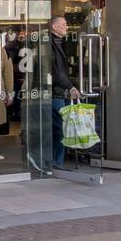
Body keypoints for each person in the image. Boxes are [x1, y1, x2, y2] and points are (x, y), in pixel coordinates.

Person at [48, 15, 80, 170]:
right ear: (54, 27)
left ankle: (56, 160)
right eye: (64, 24)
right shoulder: (50, 44)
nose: (67, 27)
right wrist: (71, 87)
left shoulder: (60, 42)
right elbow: (56, 72)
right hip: (55, 92)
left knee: (60, 126)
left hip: (60, 91)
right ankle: (55, 161)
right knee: (60, 126)